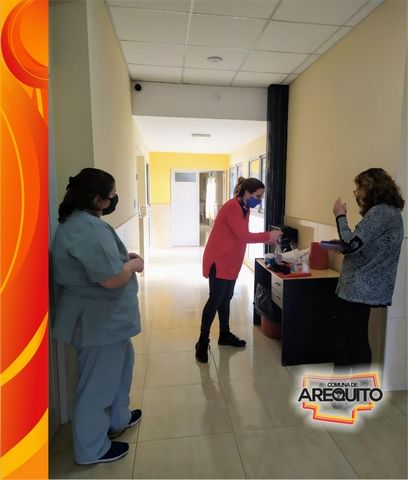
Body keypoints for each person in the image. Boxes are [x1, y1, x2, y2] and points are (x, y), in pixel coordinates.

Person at [51, 168, 144, 465]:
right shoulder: (88, 229)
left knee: (121, 368)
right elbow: (111, 279)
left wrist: (123, 260)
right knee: (97, 385)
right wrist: (133, 266)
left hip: (108, 322)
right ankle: (92, 449)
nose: (115, 199)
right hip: (98, 322)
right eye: (112, 195)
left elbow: (103, 264)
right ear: (97, 199)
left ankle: (119, 419)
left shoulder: (81, 223)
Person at [195, 177, 281, 363]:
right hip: (220, 260)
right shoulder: (233, 207)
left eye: (261, 197)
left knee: (226, 298)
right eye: (257, 196)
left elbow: (238, 234)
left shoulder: (244, 208)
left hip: (231, 261)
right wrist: (268, 235)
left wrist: (269, 238)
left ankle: (224, 334)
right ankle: (202, 341)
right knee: (215, 300)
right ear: (246, 193)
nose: (259, 200)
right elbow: (243, 236)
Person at [332, 167, 404, 373]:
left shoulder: (381, 212)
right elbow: (364, 246)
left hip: (359, 289)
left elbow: (352, 243)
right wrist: (344, 246)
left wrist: (340, 216)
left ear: (370, 187)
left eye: (358, 188)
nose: (357, 194)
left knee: (351, 340)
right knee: (352, 338)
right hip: (361, 288)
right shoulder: (389, 212)